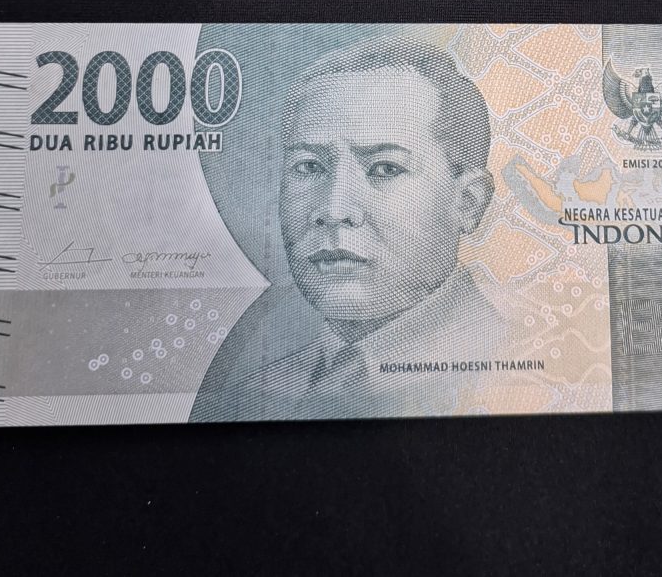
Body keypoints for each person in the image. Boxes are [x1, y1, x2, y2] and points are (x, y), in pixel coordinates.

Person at [208, 37, 505, 421]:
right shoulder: (253, 396)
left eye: (385, 168)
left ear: (467, 203)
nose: (333, 211)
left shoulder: (518, 364)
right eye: (309, 167)